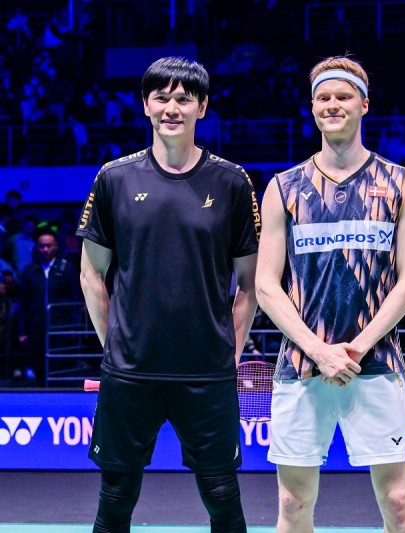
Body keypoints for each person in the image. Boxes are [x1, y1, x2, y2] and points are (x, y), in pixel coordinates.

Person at [77, 57, 260, 533]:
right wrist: (114, 344)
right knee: (115, 499)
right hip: (130, 372)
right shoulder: (114, 178)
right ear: (146, 105)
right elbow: (92, 273)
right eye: (161, 98)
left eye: (183, 98)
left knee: (223, 498)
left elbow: (250, 283)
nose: (171, 108)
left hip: (206, 371)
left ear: (203, 106)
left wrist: (231, 351)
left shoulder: (232, 182)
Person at [255, 56, 405, 533]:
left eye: (343, 96)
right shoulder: (283, 188)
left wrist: (355, 349)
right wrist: (319, 350)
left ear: (364, 104)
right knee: (292, 504)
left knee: (398, 502)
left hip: (377, 363)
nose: (333, 105)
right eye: (323, 97)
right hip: (302, 366)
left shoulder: (401, 182)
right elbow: (266, 284)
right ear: (312, 108)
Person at [16, 226, 80, 386]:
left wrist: (75, 326)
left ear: (56, 246)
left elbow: (75, 299)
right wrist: (22, 331)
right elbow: (23, 303)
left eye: (48, 246)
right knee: (38, 363)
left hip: (61, 325)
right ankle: (41, 393)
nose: (45, 249)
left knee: (59, 365)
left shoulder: (67, 268)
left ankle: (58, 395)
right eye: (42, 246)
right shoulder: (29, 271)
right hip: (36, 326)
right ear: (37, 247)